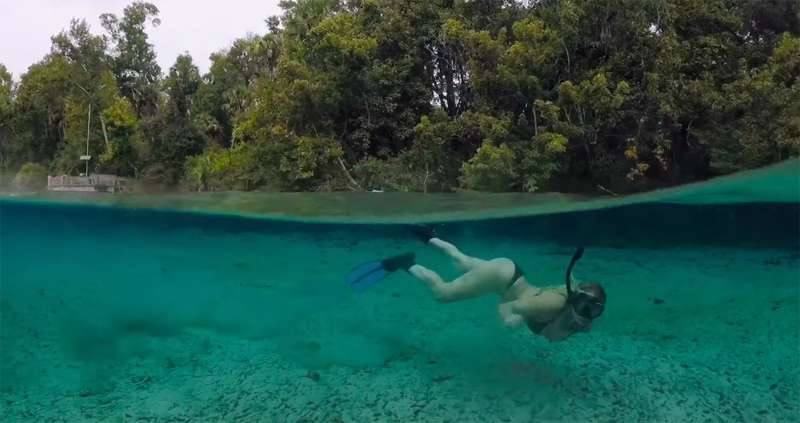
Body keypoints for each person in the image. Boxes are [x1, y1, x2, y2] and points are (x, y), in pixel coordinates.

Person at [346, 225, 607, 342]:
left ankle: (429, 235)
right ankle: (406, 263)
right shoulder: (553, 304)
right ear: (574, 300)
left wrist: (581, 321)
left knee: (461, 261)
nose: (588, 316)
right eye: (586, 308)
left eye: (595, 311)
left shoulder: (579, 318)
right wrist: (509, 321)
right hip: (502, 279)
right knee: (443, 294)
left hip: (509, 272)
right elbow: (508, 308)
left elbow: (575, 324)